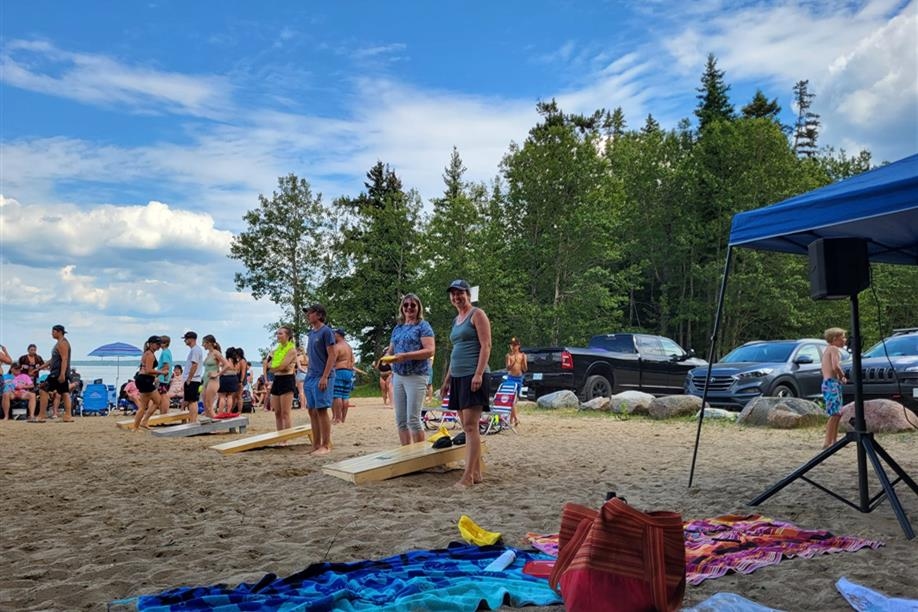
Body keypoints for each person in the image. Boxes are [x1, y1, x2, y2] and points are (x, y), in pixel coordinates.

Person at [440, 280, 491, 488]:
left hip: (473, 375)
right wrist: (446, 381)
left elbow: (486, 345)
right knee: (467, 427)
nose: (456, 297)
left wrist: (478, 374)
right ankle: (476, 472)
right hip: (458, 377)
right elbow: (455, 352)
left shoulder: (477, 314)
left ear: (468, 294)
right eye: (452, 294)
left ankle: (467, 476)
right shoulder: (456, 320)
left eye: (460, 293)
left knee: (470, 427)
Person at [387, 294, 435, 444]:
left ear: (418, 307)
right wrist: (387, 358)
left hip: (417, 375)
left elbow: (430, 350)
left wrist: (406, 356)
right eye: (406, 305)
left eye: (413, 305)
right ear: (402, 308)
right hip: (398, 375)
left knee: (413, 419)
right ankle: (405, 454)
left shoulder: (423, 326)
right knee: (401, 420)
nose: (409, 308)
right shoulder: (398, 327)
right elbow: (391, 350)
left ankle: (419, 457)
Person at [304, 304, 337, 454]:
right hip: (310, 376)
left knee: (322, 409)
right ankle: (316, 444)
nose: (308, 315)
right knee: (311, 410)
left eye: (310, 313)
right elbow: (310, 357)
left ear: (318, 315)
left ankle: (326, 445)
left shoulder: (326, 331)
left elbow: (332, 355)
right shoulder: (310, 334)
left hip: (323, 375)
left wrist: (325, 376)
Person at [37, 324, 73, 422]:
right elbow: (52, 359)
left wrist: (62, 374)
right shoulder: (59, 343)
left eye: (53, 331)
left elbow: (64, 359)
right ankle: (68, 416)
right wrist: (40, 367)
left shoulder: (62, 343)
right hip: (58, 372)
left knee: (43, 389)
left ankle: (42, 415)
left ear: (59, 332)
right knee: (64, 392)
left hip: (57, 373)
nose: (52, 334)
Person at [133, 336, 167, 429]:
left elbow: (146, 369)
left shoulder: (148, 353)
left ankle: (140, 424)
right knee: (156, 402)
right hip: (145, 380)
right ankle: (140, 423)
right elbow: (148, 370)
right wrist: (161, 372)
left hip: (143, 379)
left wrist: (155, 376)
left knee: (146, 405)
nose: (159, 346)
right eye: (157, 344)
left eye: (160, 344)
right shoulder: (150, 354)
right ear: (151, 344)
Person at [821, 327, 848, 448]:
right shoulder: (833, 349)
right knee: (834, 414)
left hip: (829, 383)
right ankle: (827, 442)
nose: (845, 340)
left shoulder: (827, 349)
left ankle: (834, 441)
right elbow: (835, 366)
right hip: (831, 384)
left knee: (837, 413)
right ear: (835, 339)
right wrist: (843, 376)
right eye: (842, 338)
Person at [267, 326, 297, 431]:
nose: (278, 336)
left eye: (280, 333)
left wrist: (276, 367)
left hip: (287, 379)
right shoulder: (276, 350)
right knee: (277, 412)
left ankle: (286, 438)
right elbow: (268, 365)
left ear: (287, 336)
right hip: (277, 380)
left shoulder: (292, 350)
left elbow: (283, 366)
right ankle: (280, 436)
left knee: (285, 412)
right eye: (277, 333)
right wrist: (275, 367)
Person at [331, 328, 359, 424]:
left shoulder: (337, 346)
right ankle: (343, 418)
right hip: (349, 372)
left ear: (338, 335)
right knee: (345, 396)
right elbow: (353, 360)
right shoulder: (348, 347)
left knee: (337, 395)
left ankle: (337, 418)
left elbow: (332, 361)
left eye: (334, 334)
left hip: (339, 371)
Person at [182, 331, 205, 423]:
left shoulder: (195, 350)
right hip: (193, 379)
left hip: (193, 379)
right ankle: (190, 419)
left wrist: (189, 378)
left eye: (186, 339)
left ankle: (193, 421)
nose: (185, 341)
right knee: (189, 400)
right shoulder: (194, 350)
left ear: (191, 339)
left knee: (192, 401)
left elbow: (194, 365)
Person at [505, 337, 528, 426]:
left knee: (515, 400)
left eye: (514, 345)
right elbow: (507, 368)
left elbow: (525, 369)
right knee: (512, 398)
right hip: (511, 378)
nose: (512, 347)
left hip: (519, 378)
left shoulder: (523, 355)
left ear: (518, 346)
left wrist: (523, 362)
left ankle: (511, 420)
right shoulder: (508, 355)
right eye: (511, 345)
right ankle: (516, 418)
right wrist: (513, 363)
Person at [200, 335, 222, 419]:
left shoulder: (216, 353)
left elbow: (227, 365)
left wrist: (217, 374)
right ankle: (210, 425)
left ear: (209, 343)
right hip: (206, 379)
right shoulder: (209, 353)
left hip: (213, 380)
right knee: (205, 405)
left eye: (203, 343)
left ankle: (217, 426)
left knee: (209, 406)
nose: (203, 345)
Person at [217, 347, 240, 414]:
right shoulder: (237, 361)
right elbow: (238, 371)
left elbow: (221, 365)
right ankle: (228, 411)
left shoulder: (226, 360)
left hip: (225, 378)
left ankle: (220, 412)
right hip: (234, 378)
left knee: (222, 396)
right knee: (230, 396)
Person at [156, 335, 174, 415]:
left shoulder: (165, 353)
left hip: (163, 377)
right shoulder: (168, 351)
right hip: (166, 377)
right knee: (164, 395)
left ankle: (163, 413)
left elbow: (166, 366)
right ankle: (163, 413)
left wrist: (158, 375)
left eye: (160, 343)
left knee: (163, 396)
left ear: (165, 343)